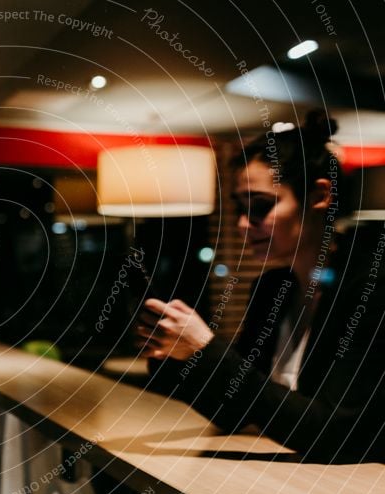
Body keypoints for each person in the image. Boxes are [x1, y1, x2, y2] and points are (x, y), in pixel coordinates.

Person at [139, 111, 385, 463]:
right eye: (240, 207)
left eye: (261, 206)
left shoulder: (370, 289)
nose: (243, 224)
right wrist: (178, 357)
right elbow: (236, 412)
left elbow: (337, 435)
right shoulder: (272, 288)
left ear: (319, 195)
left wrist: (206, 350)